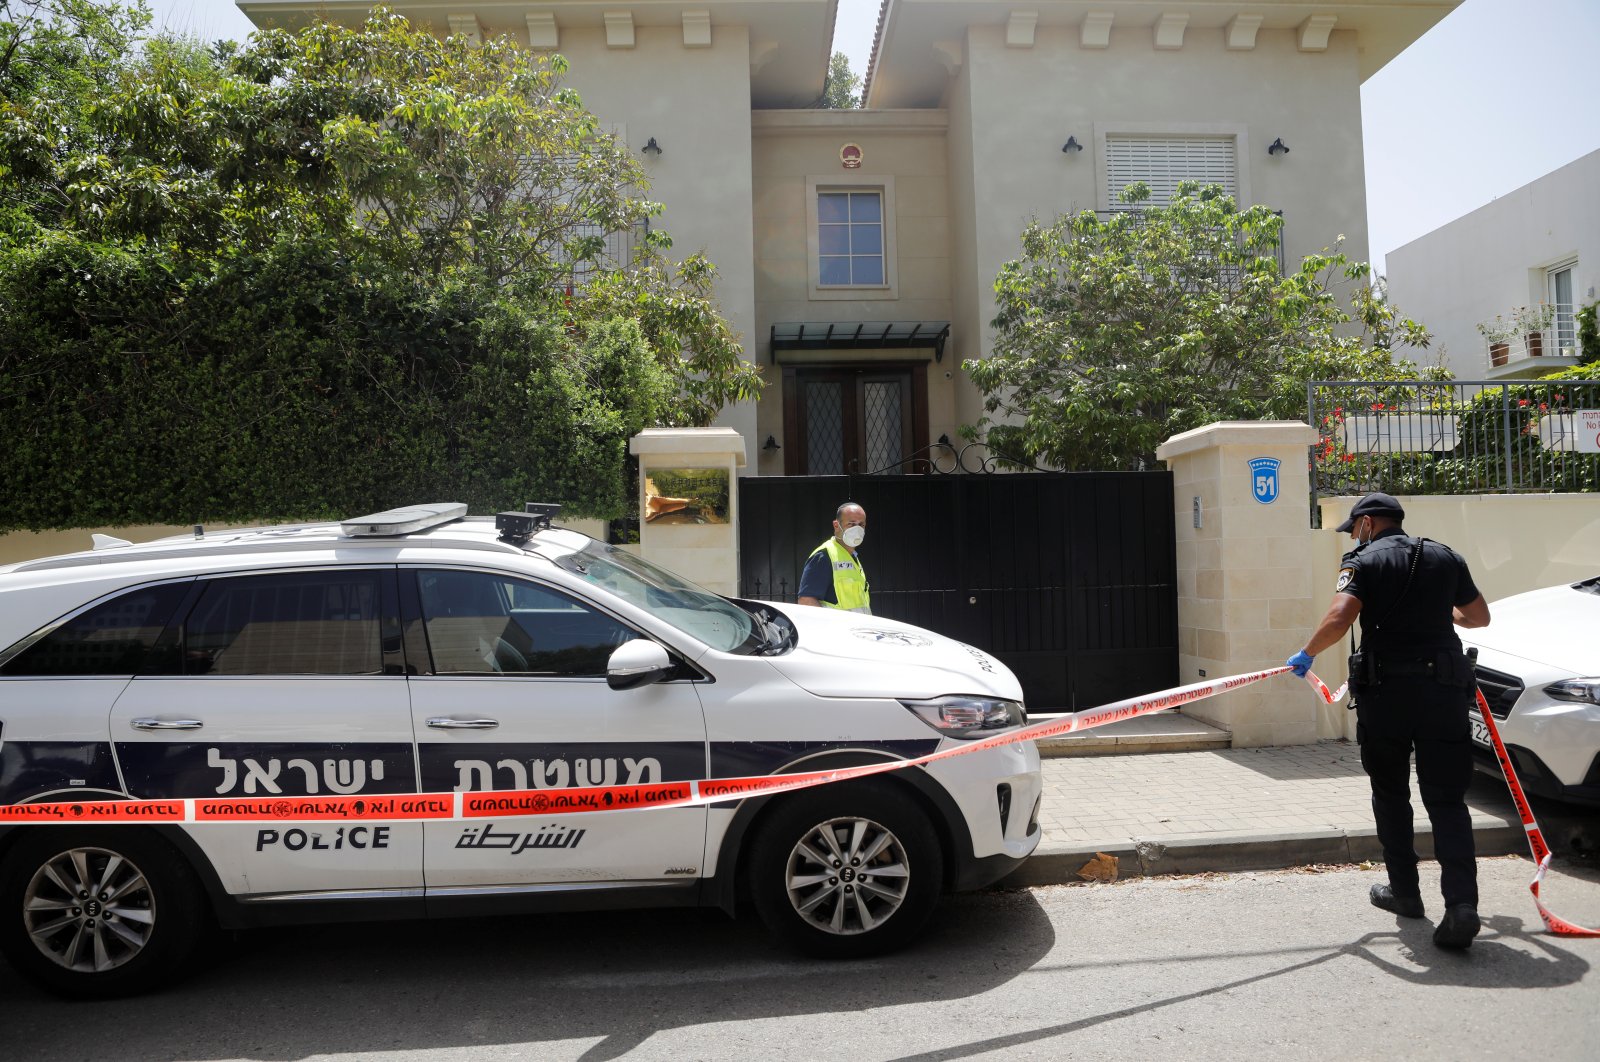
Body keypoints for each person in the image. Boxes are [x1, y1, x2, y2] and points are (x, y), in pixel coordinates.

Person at [1285, 492, 1491, 949]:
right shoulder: (1444, 555)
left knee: (1391, 793)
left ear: (1368, 522)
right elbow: (1478, 616)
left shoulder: (1362, 560)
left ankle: (1405, 893)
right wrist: (1442, 615)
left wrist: (1309, 652)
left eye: (1354, 526)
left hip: (1388, 695)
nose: (1353, 534)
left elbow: (1341, 616)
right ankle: (1462, 905)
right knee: (1448, 801)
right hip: (1444, 694)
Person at [796, 502, 871, 614]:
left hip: (857, 630)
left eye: (861, 525)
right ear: (836, 525)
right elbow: (806, 601)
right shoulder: (824, 556)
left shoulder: (853, 558)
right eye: (851, 524)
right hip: (837, 631)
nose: (858, 529)